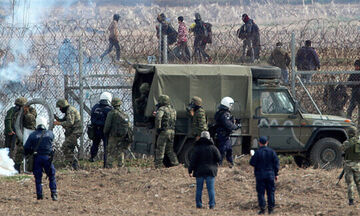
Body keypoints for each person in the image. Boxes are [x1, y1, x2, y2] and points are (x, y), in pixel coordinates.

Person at [24, 116, 57, 201]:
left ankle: (39, 195)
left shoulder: (32, 135)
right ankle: (54, 194)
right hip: (48, 158)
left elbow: (26, 148)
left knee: (38, 177)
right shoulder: (50, 133)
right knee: (52, 176)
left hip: (37, 158)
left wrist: (30, 153)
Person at [188, 131, 221, 209]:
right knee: (211, 189)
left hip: (199, 171)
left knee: (199, 189)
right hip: (211, 171)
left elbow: (192, 161)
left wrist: (190, 171)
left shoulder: (197, 148)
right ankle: (212, 205)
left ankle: (199, 204)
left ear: (201, 137)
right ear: (209, 138)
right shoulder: (213, 148)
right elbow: (219, 158)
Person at [4, 97, 37, 172]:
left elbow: (31, 120)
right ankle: (16, 168)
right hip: (18, 132)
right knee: (15, 150)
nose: (18, 107)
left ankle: (31, 168)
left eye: (20, 106)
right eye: (17, 105)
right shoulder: (14, 111)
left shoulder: (31, 110)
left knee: (27, 150)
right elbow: (11, 120)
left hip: (28, 132)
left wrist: (26, 112)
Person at [250, 136, 279, 215]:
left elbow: (252, 163)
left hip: (260, 175)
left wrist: (252, 156)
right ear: (267, 142)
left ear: (259, 143)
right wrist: (276, 174)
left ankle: (262, 209)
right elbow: (276, 164)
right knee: (271, 192)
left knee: (261, 193)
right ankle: (271, 209)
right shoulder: (272, 152)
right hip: (270, 175)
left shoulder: (257, 152)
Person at [103, 98, 132, 168]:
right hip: (122, 135)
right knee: (120, 150)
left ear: (112, 104)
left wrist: (105, 132)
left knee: (111, 151)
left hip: (113, 135)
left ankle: (109, 166)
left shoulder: (111, 113)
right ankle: (121, 165)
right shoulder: (124, 114)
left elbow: (107, 125)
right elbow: (129, 126)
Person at [54, 99, 81, 170]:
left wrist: (59, 123)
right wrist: (57, 119)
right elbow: (64, 120)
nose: (60, 109)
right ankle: (73, 165)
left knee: (65, 147)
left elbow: (70, 123)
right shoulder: (68, 110)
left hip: (75, 132)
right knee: (69, 148)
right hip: (72, 132)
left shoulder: (70, 111)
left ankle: (74, 163)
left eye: (60, 107)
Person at [154, 94, 179, 168]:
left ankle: (158, 166)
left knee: (160, 148)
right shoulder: (173, 109)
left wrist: (158, 128)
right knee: (170, 149)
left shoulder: (162, 109)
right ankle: (175, 163)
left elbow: (158, 118)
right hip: (172, 131)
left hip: (164, 131)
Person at [214, 96, 239, 168]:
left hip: (223, 134)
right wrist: (236, 127)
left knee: (228, 149)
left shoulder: (221, 112)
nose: (231, 107)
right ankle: (220, 164)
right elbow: (227, 123)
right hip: (223, 134)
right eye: (231, 105)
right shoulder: (224, 114)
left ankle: (230, 163)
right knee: (223, 150)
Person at [89, 92, 113, 164]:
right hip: (105, 130)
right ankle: (106, 162)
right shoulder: (109, 109)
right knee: (106, 146)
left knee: (95, 144)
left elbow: (92, 118)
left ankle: (92, 157)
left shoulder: (95, 107)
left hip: (95, 129)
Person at [342, 126, 360, 206]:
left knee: (350, 183)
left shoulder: (347, 143)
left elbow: (341, 149)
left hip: (348, 165)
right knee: (359, 183)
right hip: (357, 165)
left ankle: (351, 201)